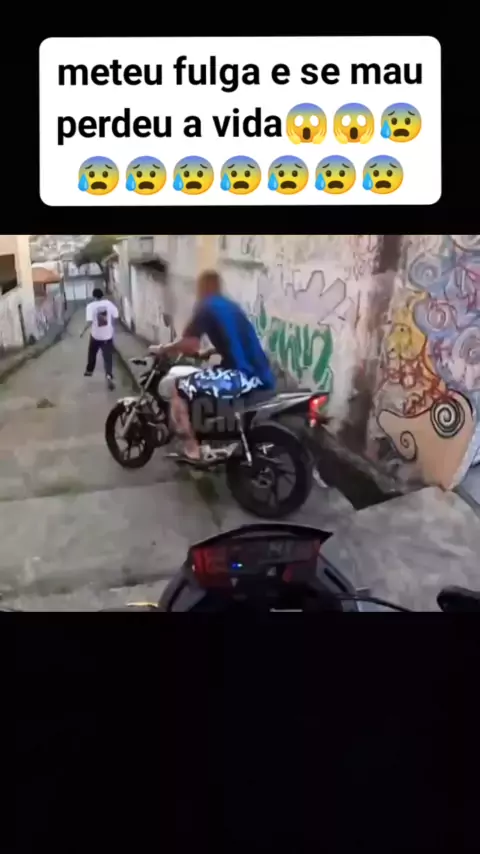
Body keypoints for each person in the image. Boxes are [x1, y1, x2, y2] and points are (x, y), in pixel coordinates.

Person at [149, 269, 275, 465]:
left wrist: (164, 349)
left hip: (241, 376)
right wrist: (210, 352)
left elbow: (190, 344)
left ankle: (191, 449)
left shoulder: (205, 307)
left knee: (179, 388)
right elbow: (235, 339)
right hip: (260, 373)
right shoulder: (230, 306)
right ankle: (211, 434)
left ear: (202, 287)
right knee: (207, 377)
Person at [80, 287, 119, 390]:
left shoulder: (90, 306)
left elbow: (89, 322)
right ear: (102, 295)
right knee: (108, 357)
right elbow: (116, 315)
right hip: (107, 336)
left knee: (92, 353)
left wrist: (83, 332)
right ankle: (109, 375)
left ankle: (89, 370)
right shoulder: (108, 304)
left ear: (93, 296)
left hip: (96, 337)